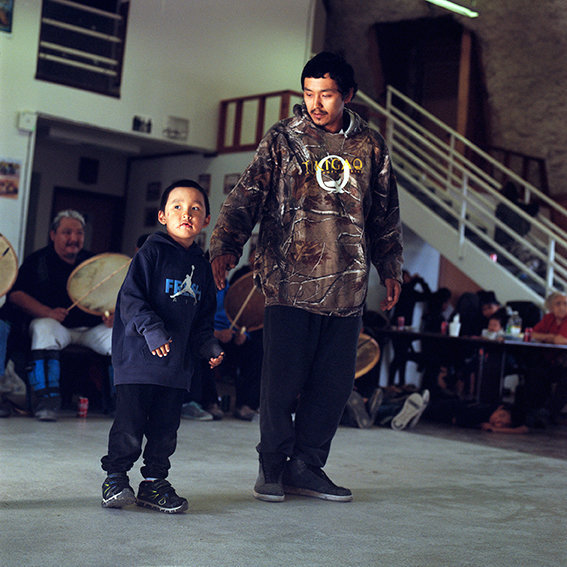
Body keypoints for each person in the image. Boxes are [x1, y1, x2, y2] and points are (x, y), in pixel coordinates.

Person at [209, 52, 403, 503]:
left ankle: (307, 467)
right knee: (280, 384)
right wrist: (224, 246)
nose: (316, 104)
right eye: (309, 93)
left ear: (348, 96)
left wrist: (390, 267)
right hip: (288, 283)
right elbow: (246, 196)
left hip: (348, 286)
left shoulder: (371, 147)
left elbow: (385, 216)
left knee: (332, 388)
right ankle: (272, 468)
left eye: (327, 94)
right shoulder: (282, 139)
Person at [100, 179, 224, 513]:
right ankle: (115, 477)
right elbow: (130, 300)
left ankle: (153, 483)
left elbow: (203, 318)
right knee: (130, 425)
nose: (187, 213)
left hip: (175, 368)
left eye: (196, 208)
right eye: (177, 207)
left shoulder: (201, 266)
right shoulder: (150, 253)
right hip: (138, 361)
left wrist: (208, 346)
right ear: (162, 216)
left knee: (165, 430)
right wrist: (153, 332)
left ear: (206, 220)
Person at [6, 210, 113, 421]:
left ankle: (122, 404)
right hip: (57, 327)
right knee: (43, 328)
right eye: (67, 232)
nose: (74, 238)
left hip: (92, 328)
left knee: (121, 337)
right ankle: (46, 402)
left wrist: (113, 313)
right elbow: (16, 295)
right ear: (53, 234)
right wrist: (47, 312)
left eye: (79, 233)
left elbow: (114, 294)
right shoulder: (37, 261)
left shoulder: (94, 264)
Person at [519, 292, 567, 425]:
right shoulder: (548, 318)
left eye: (565, 304)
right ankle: (533, 411)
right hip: (548, 360)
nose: (562, 307)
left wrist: (547, 337)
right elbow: (532, 334)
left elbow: (561, 341)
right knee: (534, 371)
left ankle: (550, 412)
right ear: (550, 306)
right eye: (558, 304)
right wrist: (551, 337)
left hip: (563, 363)